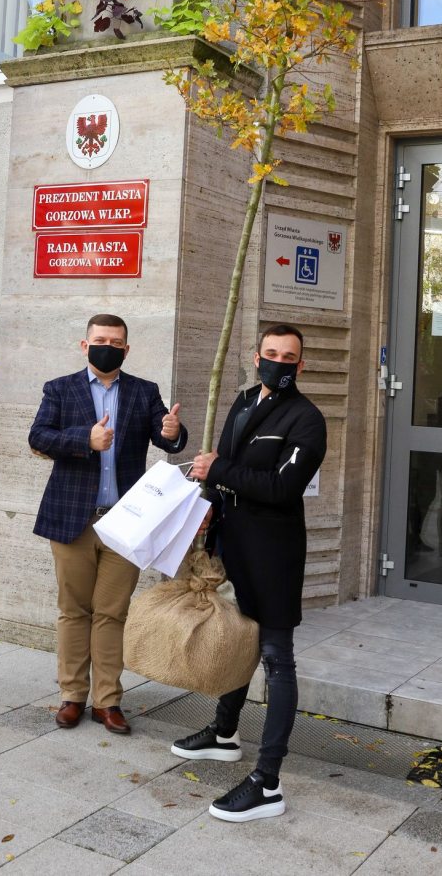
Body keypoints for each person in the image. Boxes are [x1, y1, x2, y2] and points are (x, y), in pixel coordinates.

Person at [172, 322, 326, 823]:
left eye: (289, 357)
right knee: (240, 640)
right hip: (233, 544)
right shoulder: (241, 401)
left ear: (300, 365)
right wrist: (208, 507)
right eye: (271, 353)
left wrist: (217, 470)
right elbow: (226, 469)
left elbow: (281, 487)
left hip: (274, 553)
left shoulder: (307, 419)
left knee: (277, 658)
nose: (279, 362)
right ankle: (223, 732)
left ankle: (268, 781)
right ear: (256, 358)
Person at [30, 313, 187, 735]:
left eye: (116, 343)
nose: (108, 348)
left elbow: (166, 437)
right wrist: (85, 439)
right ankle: (72, 696)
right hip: (73, 520)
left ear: (127, 349)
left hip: (125, 522)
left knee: (112, 613)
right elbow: (39, 436)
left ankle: (108, 701)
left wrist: (173, 431)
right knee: (73, 611)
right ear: (85, 346)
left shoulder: (143, 391)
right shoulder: (60, 389)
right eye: (100, 340)